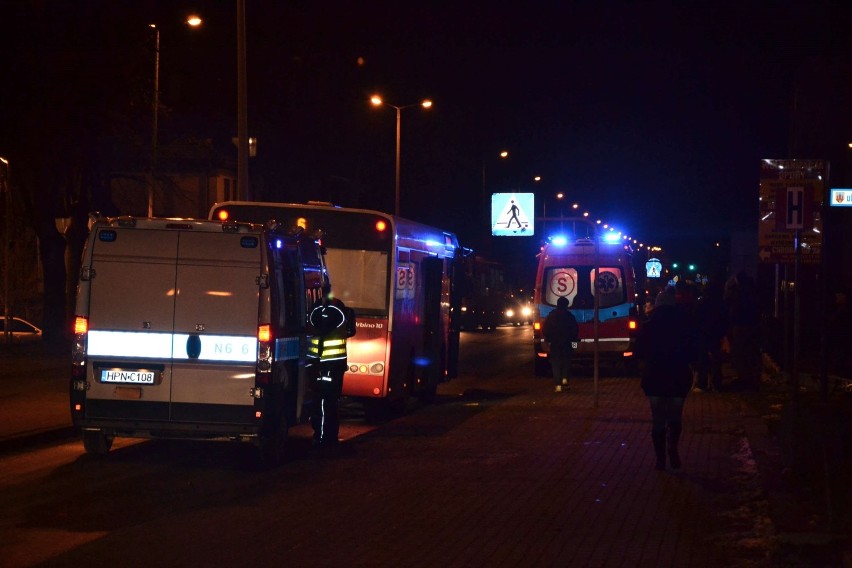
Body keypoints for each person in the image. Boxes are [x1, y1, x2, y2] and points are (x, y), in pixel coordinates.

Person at [635, 286, 697, 471]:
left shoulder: (648, 326)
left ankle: (660, 459)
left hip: (655, 376)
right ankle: (673, 448)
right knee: (675, 416)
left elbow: (639, 352)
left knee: (658, 418)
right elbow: (693, 349)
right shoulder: (684, 325)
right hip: (678, 375)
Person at [307, 285, 356, 449]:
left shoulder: (317, 310)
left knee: (321, 402)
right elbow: (350, 331)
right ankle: (330, 437)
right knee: (332, 402)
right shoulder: (341, 309)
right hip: (336, 365)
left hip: (321, 365)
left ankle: (321, 438)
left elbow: (315, 330)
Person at [543, 296, 579, 393]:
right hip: (567, 343)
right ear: (566, 305)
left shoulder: (551, 316)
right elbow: (575, 331)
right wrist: (574, 344)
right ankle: (565, 380)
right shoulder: (569, 316)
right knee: (567, 361)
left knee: (556, 363)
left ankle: (558, 385)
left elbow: (545, 329)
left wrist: (548, 339)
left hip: (555, 343)